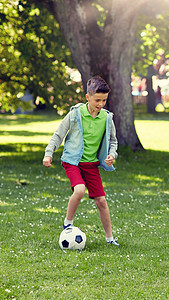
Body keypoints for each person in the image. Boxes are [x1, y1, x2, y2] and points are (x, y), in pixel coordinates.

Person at [43, 75, 120, 247]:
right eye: (97, 100)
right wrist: (49, 153)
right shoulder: (75, 114)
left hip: (91, 164)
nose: (100, 104)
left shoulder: (107, 118)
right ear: (87, 97)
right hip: (73, 162)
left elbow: (113, 141)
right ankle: (67, 223)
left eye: (104, 100)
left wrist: (112, 155)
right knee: (79, 190)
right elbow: (58, 135)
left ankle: (109, 239)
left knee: (101, 201)